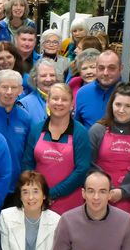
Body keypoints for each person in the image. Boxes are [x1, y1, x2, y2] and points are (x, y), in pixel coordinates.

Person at [22, 83, 90, 214]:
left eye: (64, 99)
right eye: (55, 98)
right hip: (38, 200)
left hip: (70, 203)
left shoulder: (80, 132)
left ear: (72, 105)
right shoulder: (37, 129)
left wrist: (52, 193)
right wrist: (36, 191)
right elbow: (27, 163)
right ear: (47, 102)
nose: (59, 103)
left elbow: (82, 170)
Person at [89, 83, 130, 227]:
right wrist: (105, 189)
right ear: (111, 105)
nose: (121, 110)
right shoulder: (97, 130)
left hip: (129, 199)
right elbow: (89, 164)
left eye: (128, 106)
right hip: (99, 196)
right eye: (118, 104)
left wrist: (122, 192)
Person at [0, 70, 32, 201]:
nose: (9, 92)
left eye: (14, 88)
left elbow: (27, 153)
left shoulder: (25, 118)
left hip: (15, 187)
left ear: (20, 90)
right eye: (4, 87)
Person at [74, 49, 122, 127]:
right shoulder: (82, 93)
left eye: (111, 68)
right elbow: (77, 126)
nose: (106, 73)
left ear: (120, 68)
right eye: (101, 68)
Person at [19, 59, 58, 126]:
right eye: (43, 76)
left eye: (52, 75)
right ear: (35, 79)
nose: (48, 79)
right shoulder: (24, 105)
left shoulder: (63, 101)